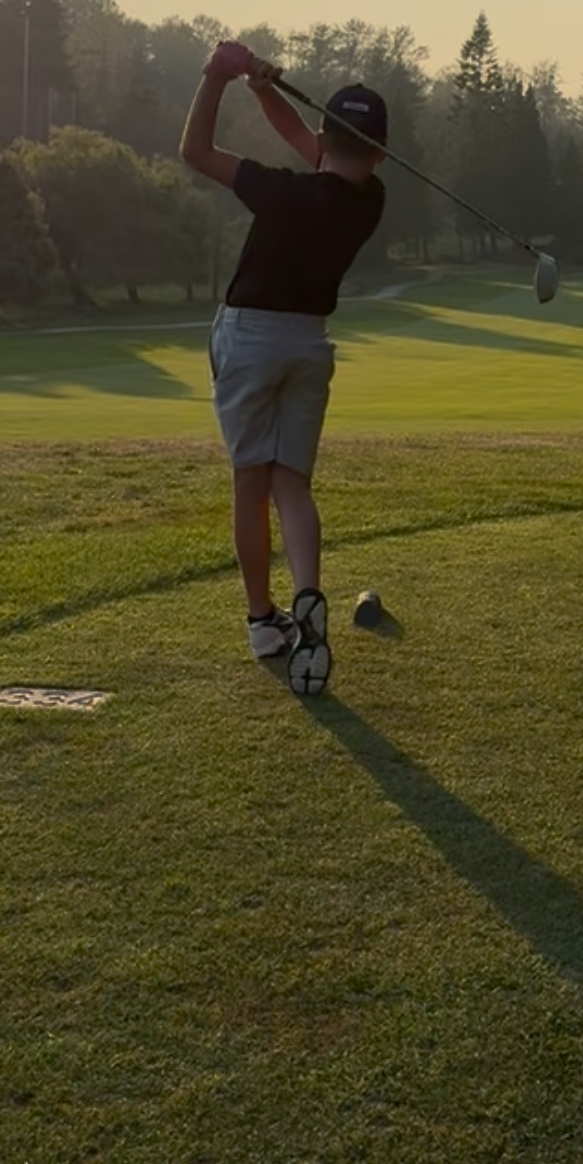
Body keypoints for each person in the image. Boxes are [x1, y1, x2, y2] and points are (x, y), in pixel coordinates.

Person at [181, 42, 387, 694]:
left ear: (328, 136)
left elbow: (195, 152)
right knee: (292, 485)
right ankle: (307, 597)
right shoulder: (371, 199)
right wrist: (262, 88)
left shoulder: (280, 193)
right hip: (309, 346)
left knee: (250, 483)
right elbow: (315, 146)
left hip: (250, 339)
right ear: (379, 152)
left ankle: (263, 623)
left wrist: (216, 78)